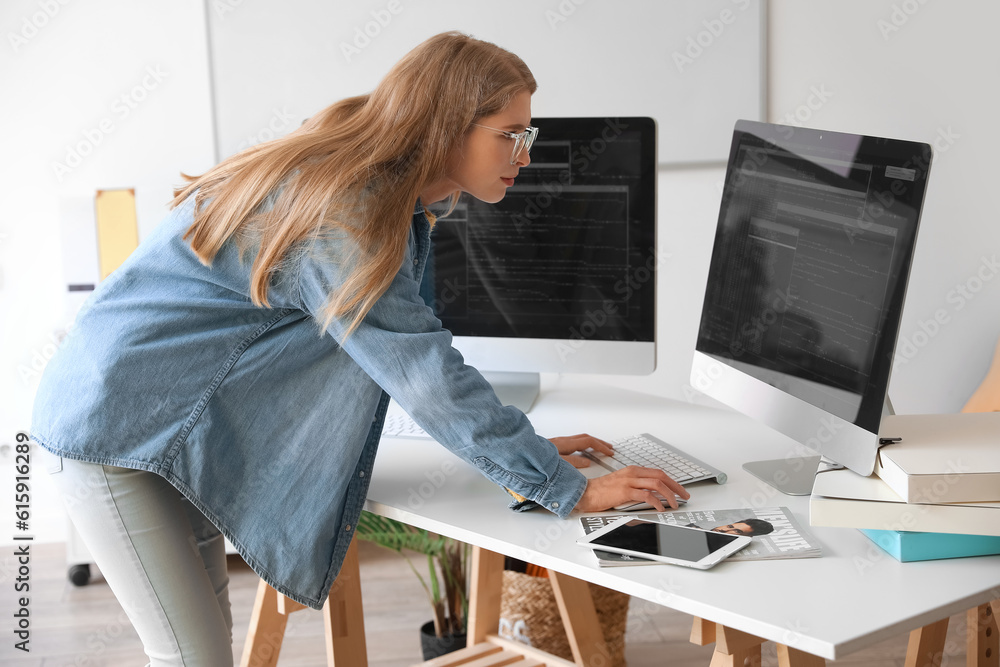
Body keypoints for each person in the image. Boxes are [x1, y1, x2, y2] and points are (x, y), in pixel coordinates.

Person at [31, 31, 688, 666]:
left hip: (161, 421)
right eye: (509, 135)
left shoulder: (381, 188)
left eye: (529, 133)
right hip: (111, 427)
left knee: (203, 646)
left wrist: (530, 452)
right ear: (446, 127)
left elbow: (413, 356)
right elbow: (424, 372)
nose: (525, 153)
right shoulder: (347, 217)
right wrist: (564, 488)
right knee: (188, 654)